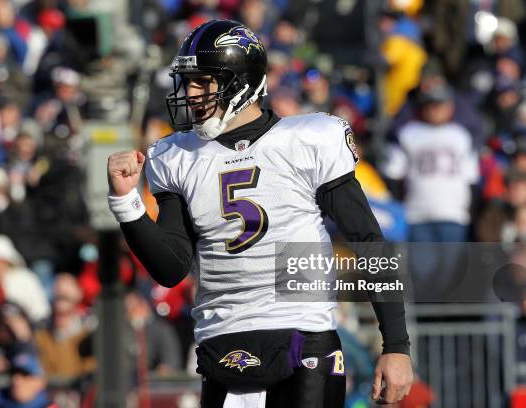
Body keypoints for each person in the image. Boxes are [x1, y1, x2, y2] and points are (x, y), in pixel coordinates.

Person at [107, 19, 413, 407]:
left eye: (204, 81)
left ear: (240, 81)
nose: (192, 92)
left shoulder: (306, 140)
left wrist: (397, 344)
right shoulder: (176, 156)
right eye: (188, 81)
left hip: (303, 337)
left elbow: (368, 242)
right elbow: (170, 268)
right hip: (222, 343)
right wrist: (126, 203)